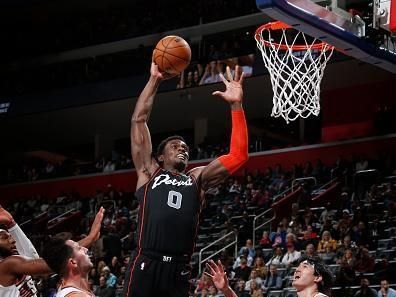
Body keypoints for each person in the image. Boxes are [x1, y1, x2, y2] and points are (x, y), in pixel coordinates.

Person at [123, 62, 248, 297]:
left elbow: (238, 156)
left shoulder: (197, 178)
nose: (182, 148)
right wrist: (155, 80)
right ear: (160, 156)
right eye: (174, 146)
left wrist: (236, 106)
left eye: (185, 147)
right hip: (146, 261)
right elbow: (138, 120)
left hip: (179, 267)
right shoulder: (149, 172)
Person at [0, 206, 103, 297]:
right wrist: (90, 238)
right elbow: (51, 263)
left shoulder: (13, 263)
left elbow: (33, 259)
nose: (12, 240)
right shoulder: (7, 265)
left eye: (10, 236)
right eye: (4, 238)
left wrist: (11, 224)